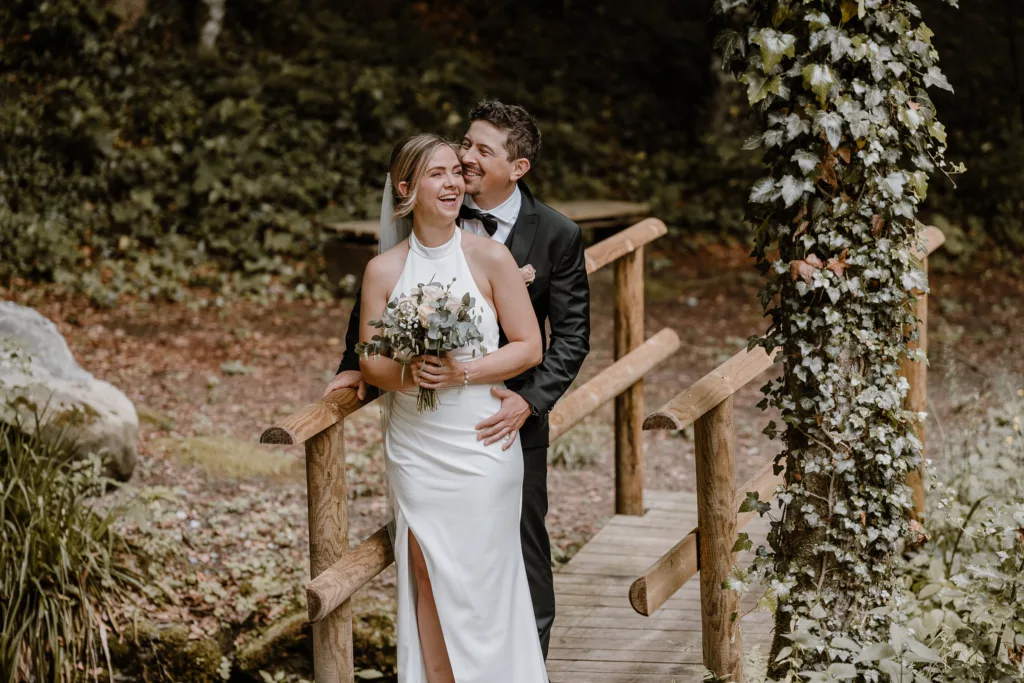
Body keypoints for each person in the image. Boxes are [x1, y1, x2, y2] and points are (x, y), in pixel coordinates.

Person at [327, 100, 592, 658]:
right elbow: (375, 318)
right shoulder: (403, 247)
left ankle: (524, 666)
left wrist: (526, 401)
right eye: (461, 149)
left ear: (516, 167)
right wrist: (356, 367)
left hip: (501, 418)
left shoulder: (554, 236)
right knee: (429, 574)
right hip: (420, 441)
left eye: (478, 152)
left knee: (519, 558)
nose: (465, 162)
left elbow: (566, 339)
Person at [359, 134, 546, 682]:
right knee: (427, 574)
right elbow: (370, 362)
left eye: (454, 173)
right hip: (419, 447)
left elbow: (528, 346)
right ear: (405, 188)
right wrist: (408, 372)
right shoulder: (384, 271)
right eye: (435, 174)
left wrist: (463, 371)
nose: (451, 183)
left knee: (486, 580)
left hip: (481, 440)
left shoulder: (489, 257)